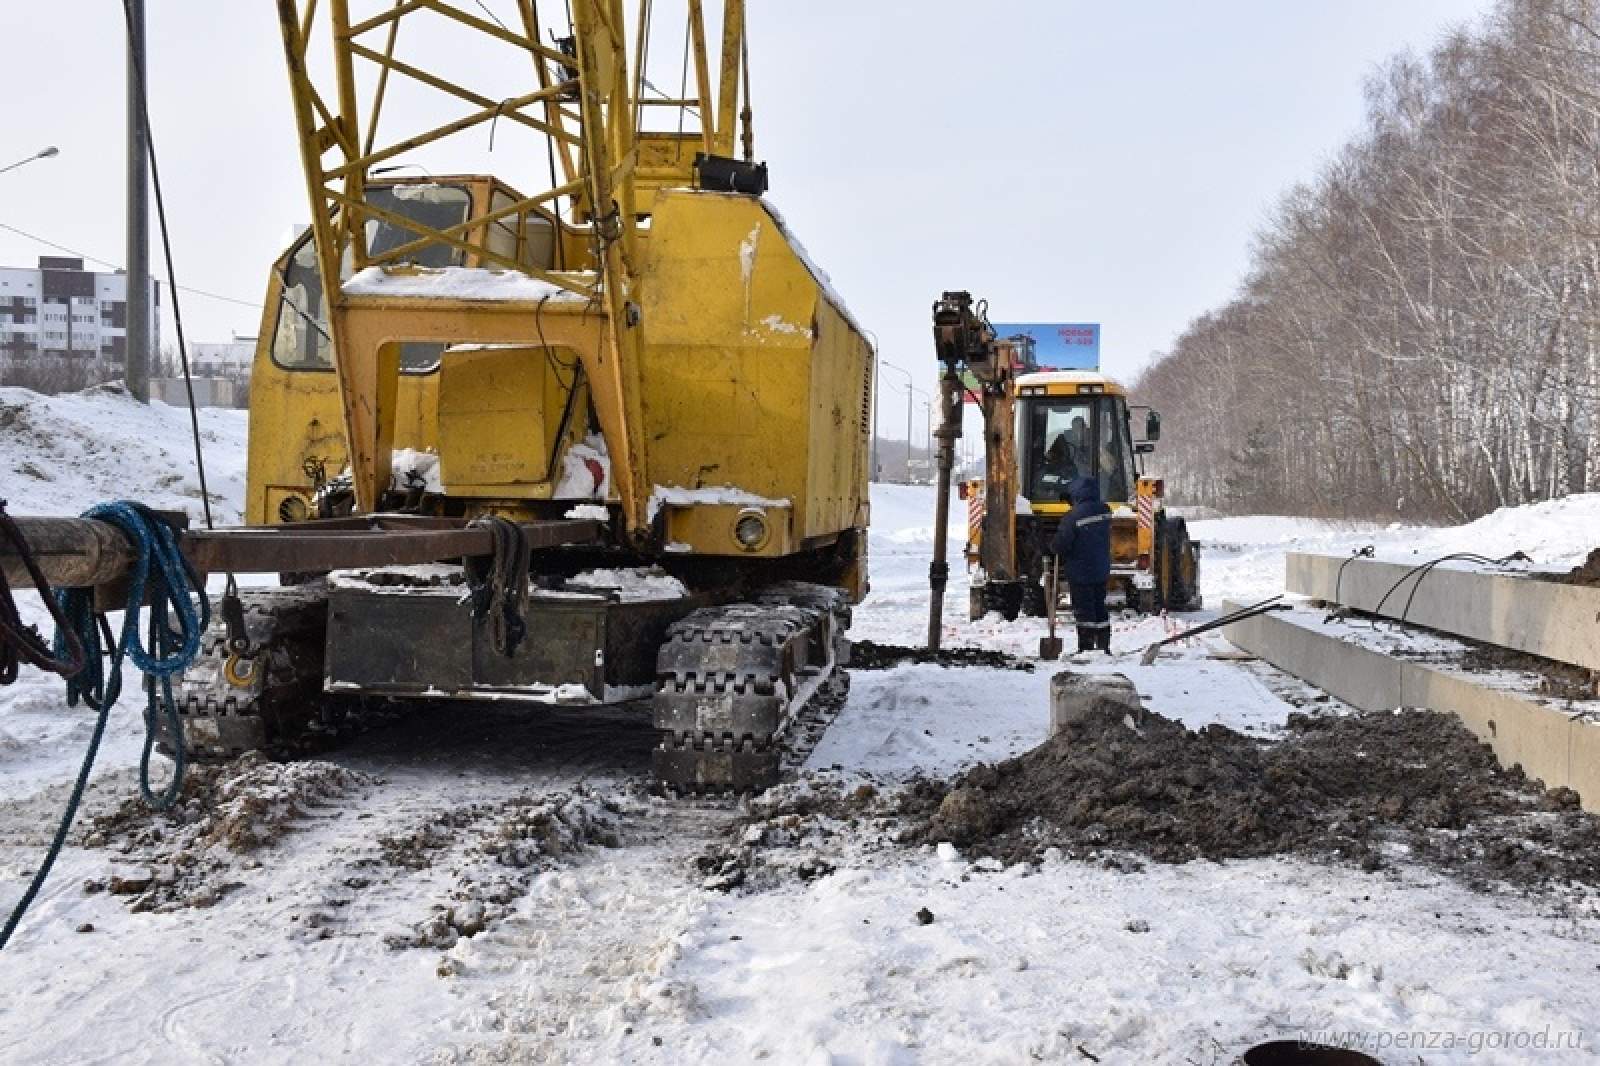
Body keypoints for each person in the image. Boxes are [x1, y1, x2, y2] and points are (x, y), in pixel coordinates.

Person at [1051, 475, 1113, 654]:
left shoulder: (1072, 517)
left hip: (1081, 571)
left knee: (1084, 610)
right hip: (1100, 569)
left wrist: (1052, 547)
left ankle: (1086, 647)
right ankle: (1103, 645)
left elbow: (1061, 544)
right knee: (1099, 607)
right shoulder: (1105, 510)